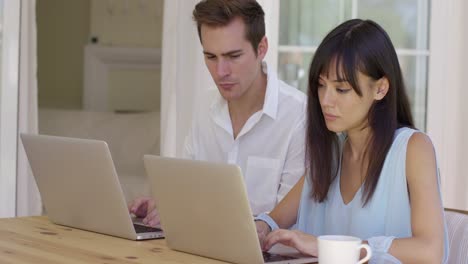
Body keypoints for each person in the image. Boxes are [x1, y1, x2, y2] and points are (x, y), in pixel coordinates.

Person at [254, 19, 448, 263]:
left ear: (381, 89)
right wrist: (262, 226)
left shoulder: (414, 148)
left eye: (341, 89)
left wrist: (330, 248)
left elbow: (430, 251)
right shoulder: (331, 153)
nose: (325, 100)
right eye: (321, 85)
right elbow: (274, 220)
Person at [129, 0, 307, 227]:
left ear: (261, 48)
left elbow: (286, 226)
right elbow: (187, 191)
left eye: (233, 56)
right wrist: (164, 206)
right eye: (211, 57)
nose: (221, 72)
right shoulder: (204, 107)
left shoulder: (299, 116)